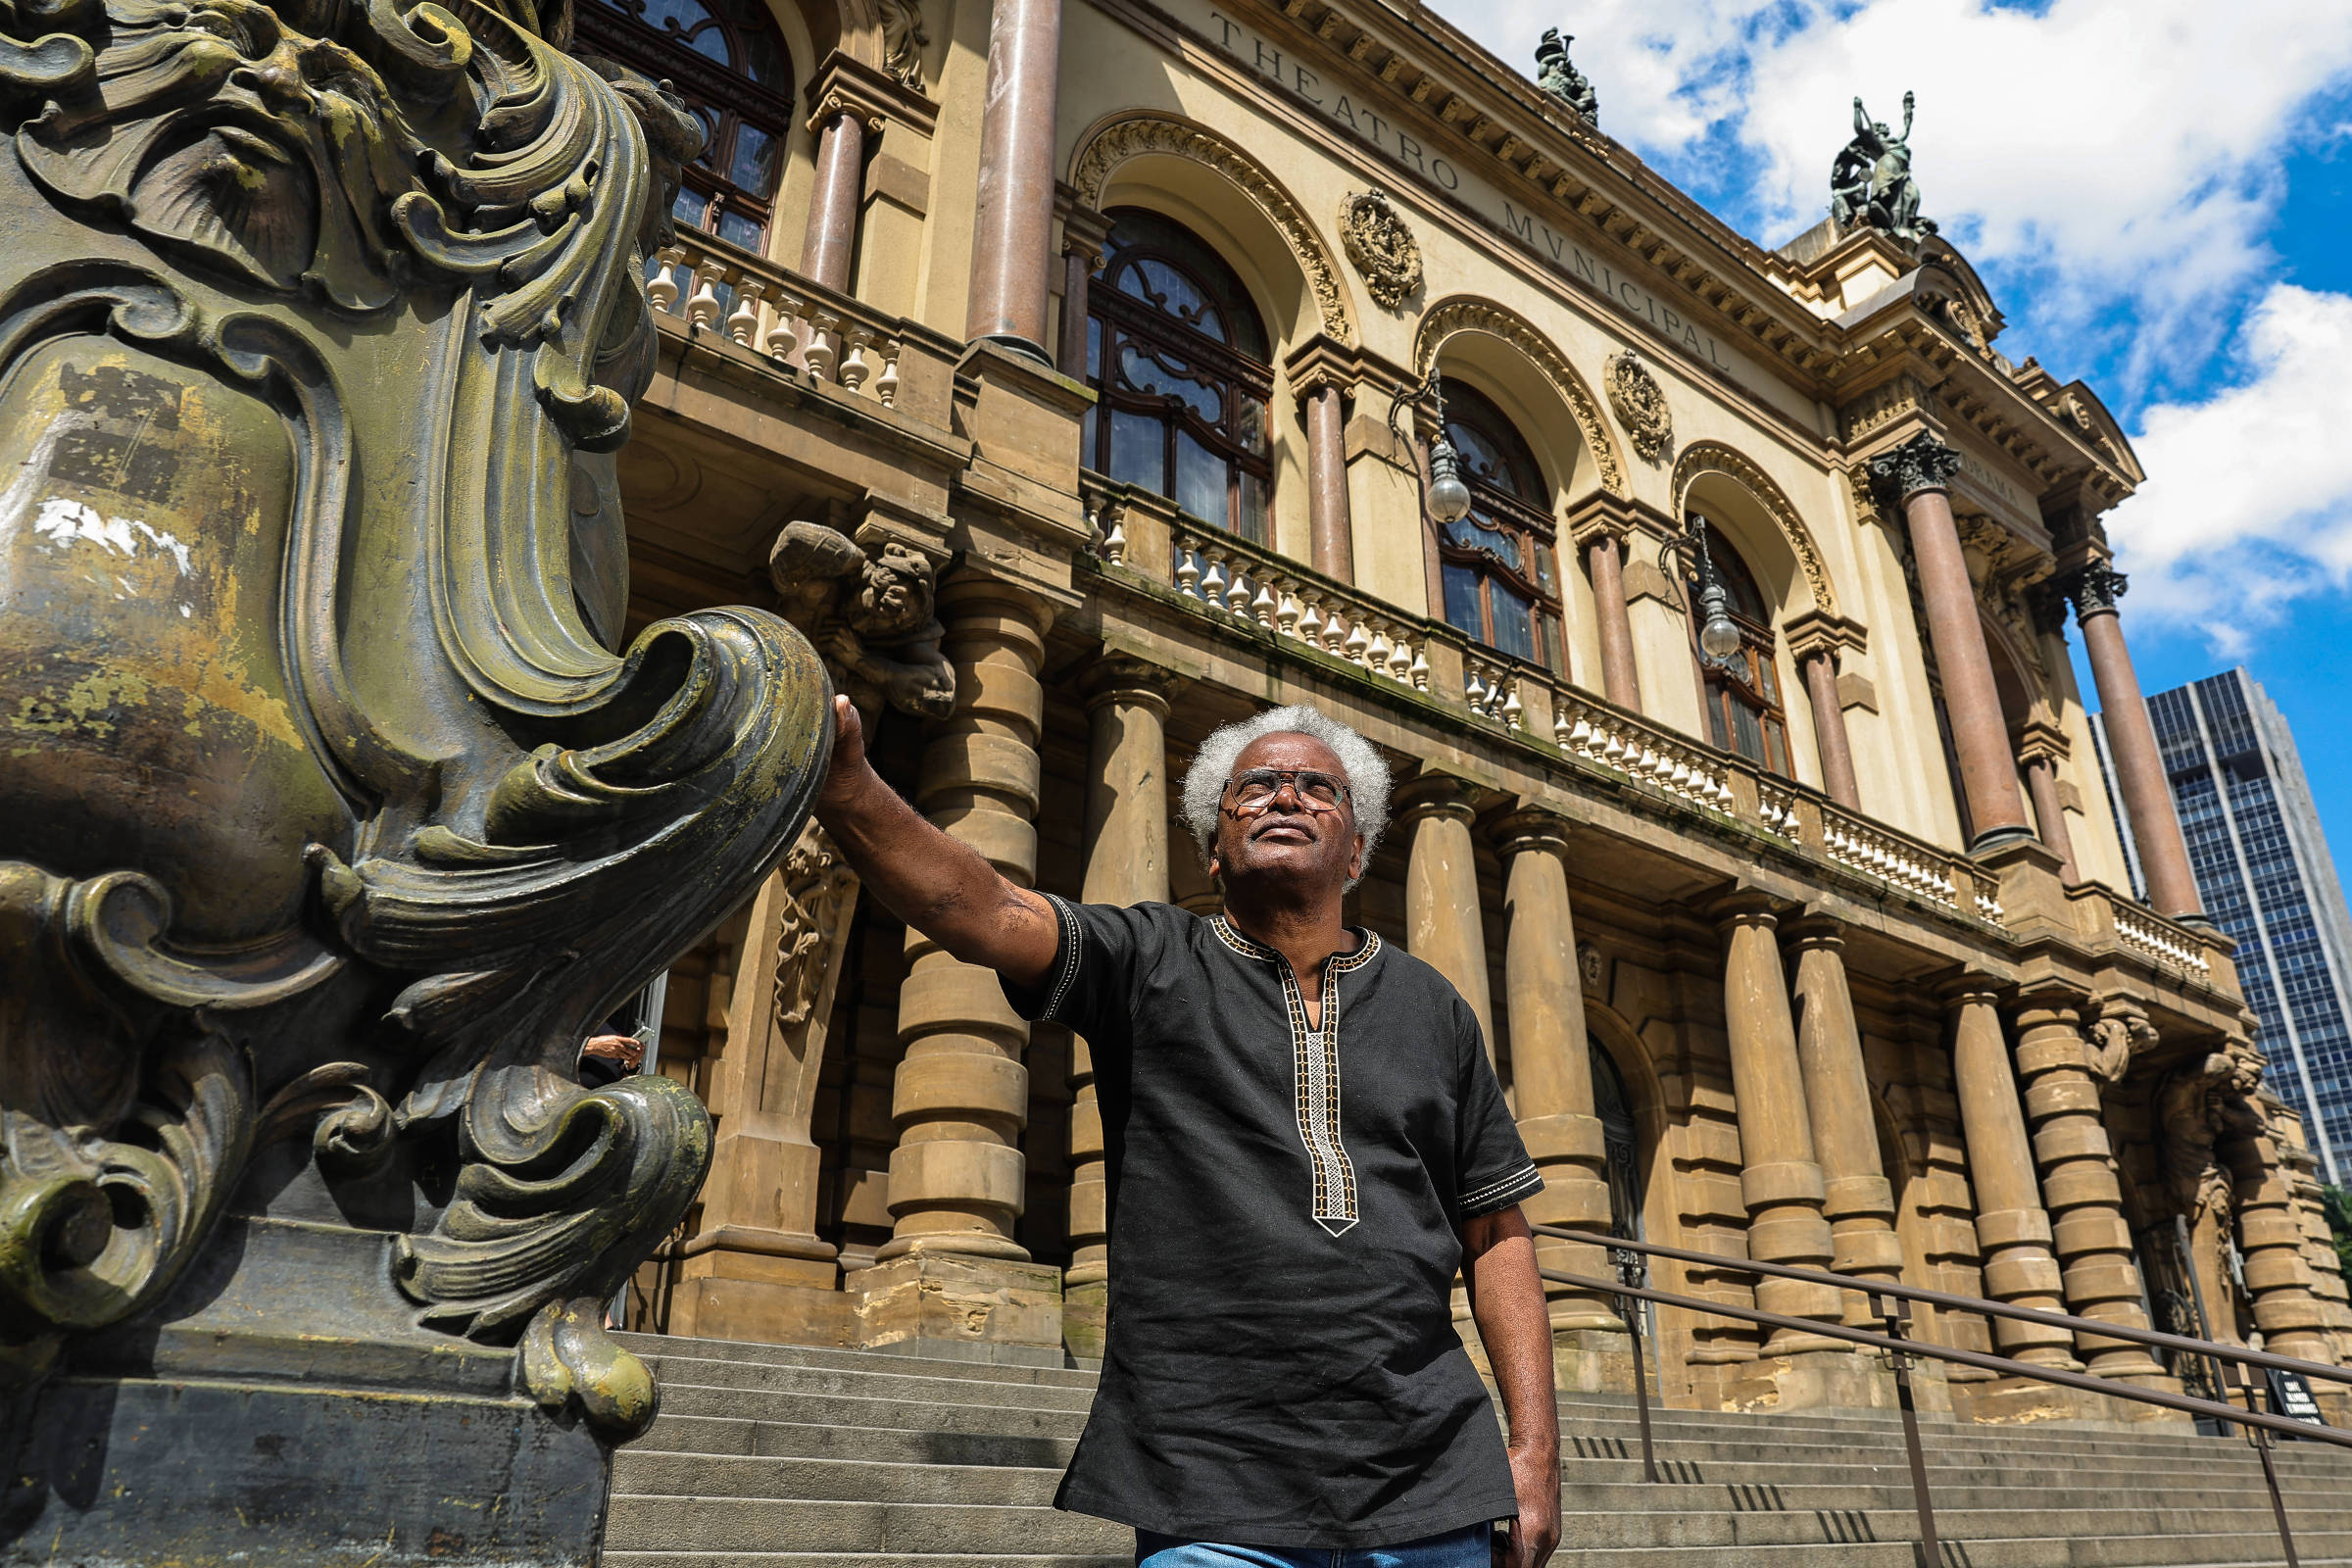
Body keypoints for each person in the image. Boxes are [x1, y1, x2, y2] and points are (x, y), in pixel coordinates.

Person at [815, 692, 1561, 1568]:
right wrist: (847, 787)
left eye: (1319, 787)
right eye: (1256, 786)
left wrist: (1535, 1453)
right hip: (1209, 1484)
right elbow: (982, 910)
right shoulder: (1149, 963)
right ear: (1213, 848)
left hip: (1431, 1487)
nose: (1286, 796)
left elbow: (1495, 1233)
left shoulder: (1435, 1008)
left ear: (1358, 850)